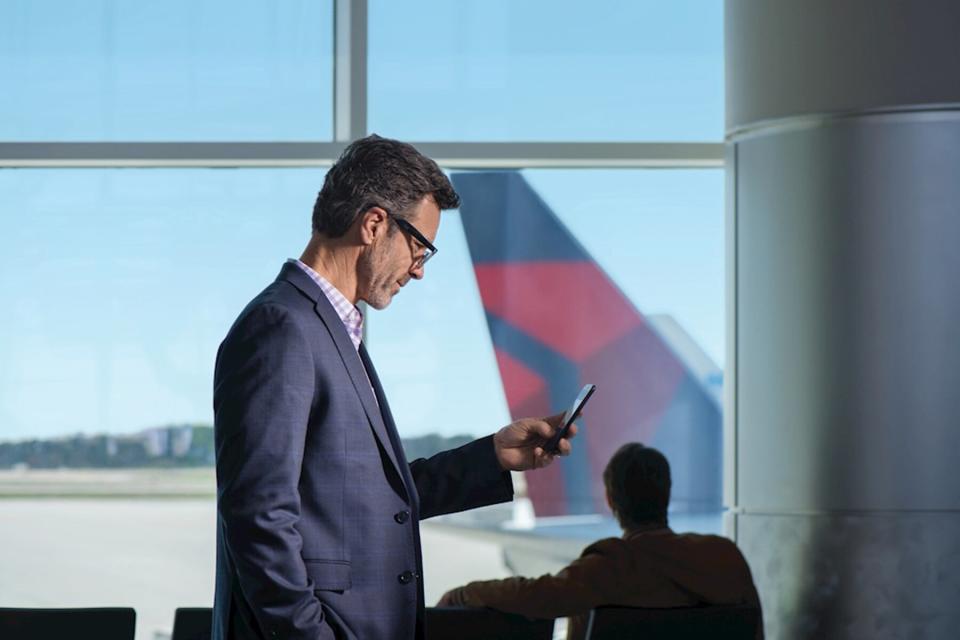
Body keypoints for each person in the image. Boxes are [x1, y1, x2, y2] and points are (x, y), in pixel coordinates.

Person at [211, 134, 575, 640]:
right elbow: (258, 518)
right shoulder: (282, 327)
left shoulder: (332, 328)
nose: (420, 270)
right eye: (420, 246)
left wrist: (492, 457)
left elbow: (370, 499)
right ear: (375, 223)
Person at [439, 443, 763, 640]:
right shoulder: (725, 557)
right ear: (667, 494)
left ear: (610, 500)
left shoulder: (614, 565)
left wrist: (466, 593)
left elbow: (537, 595)